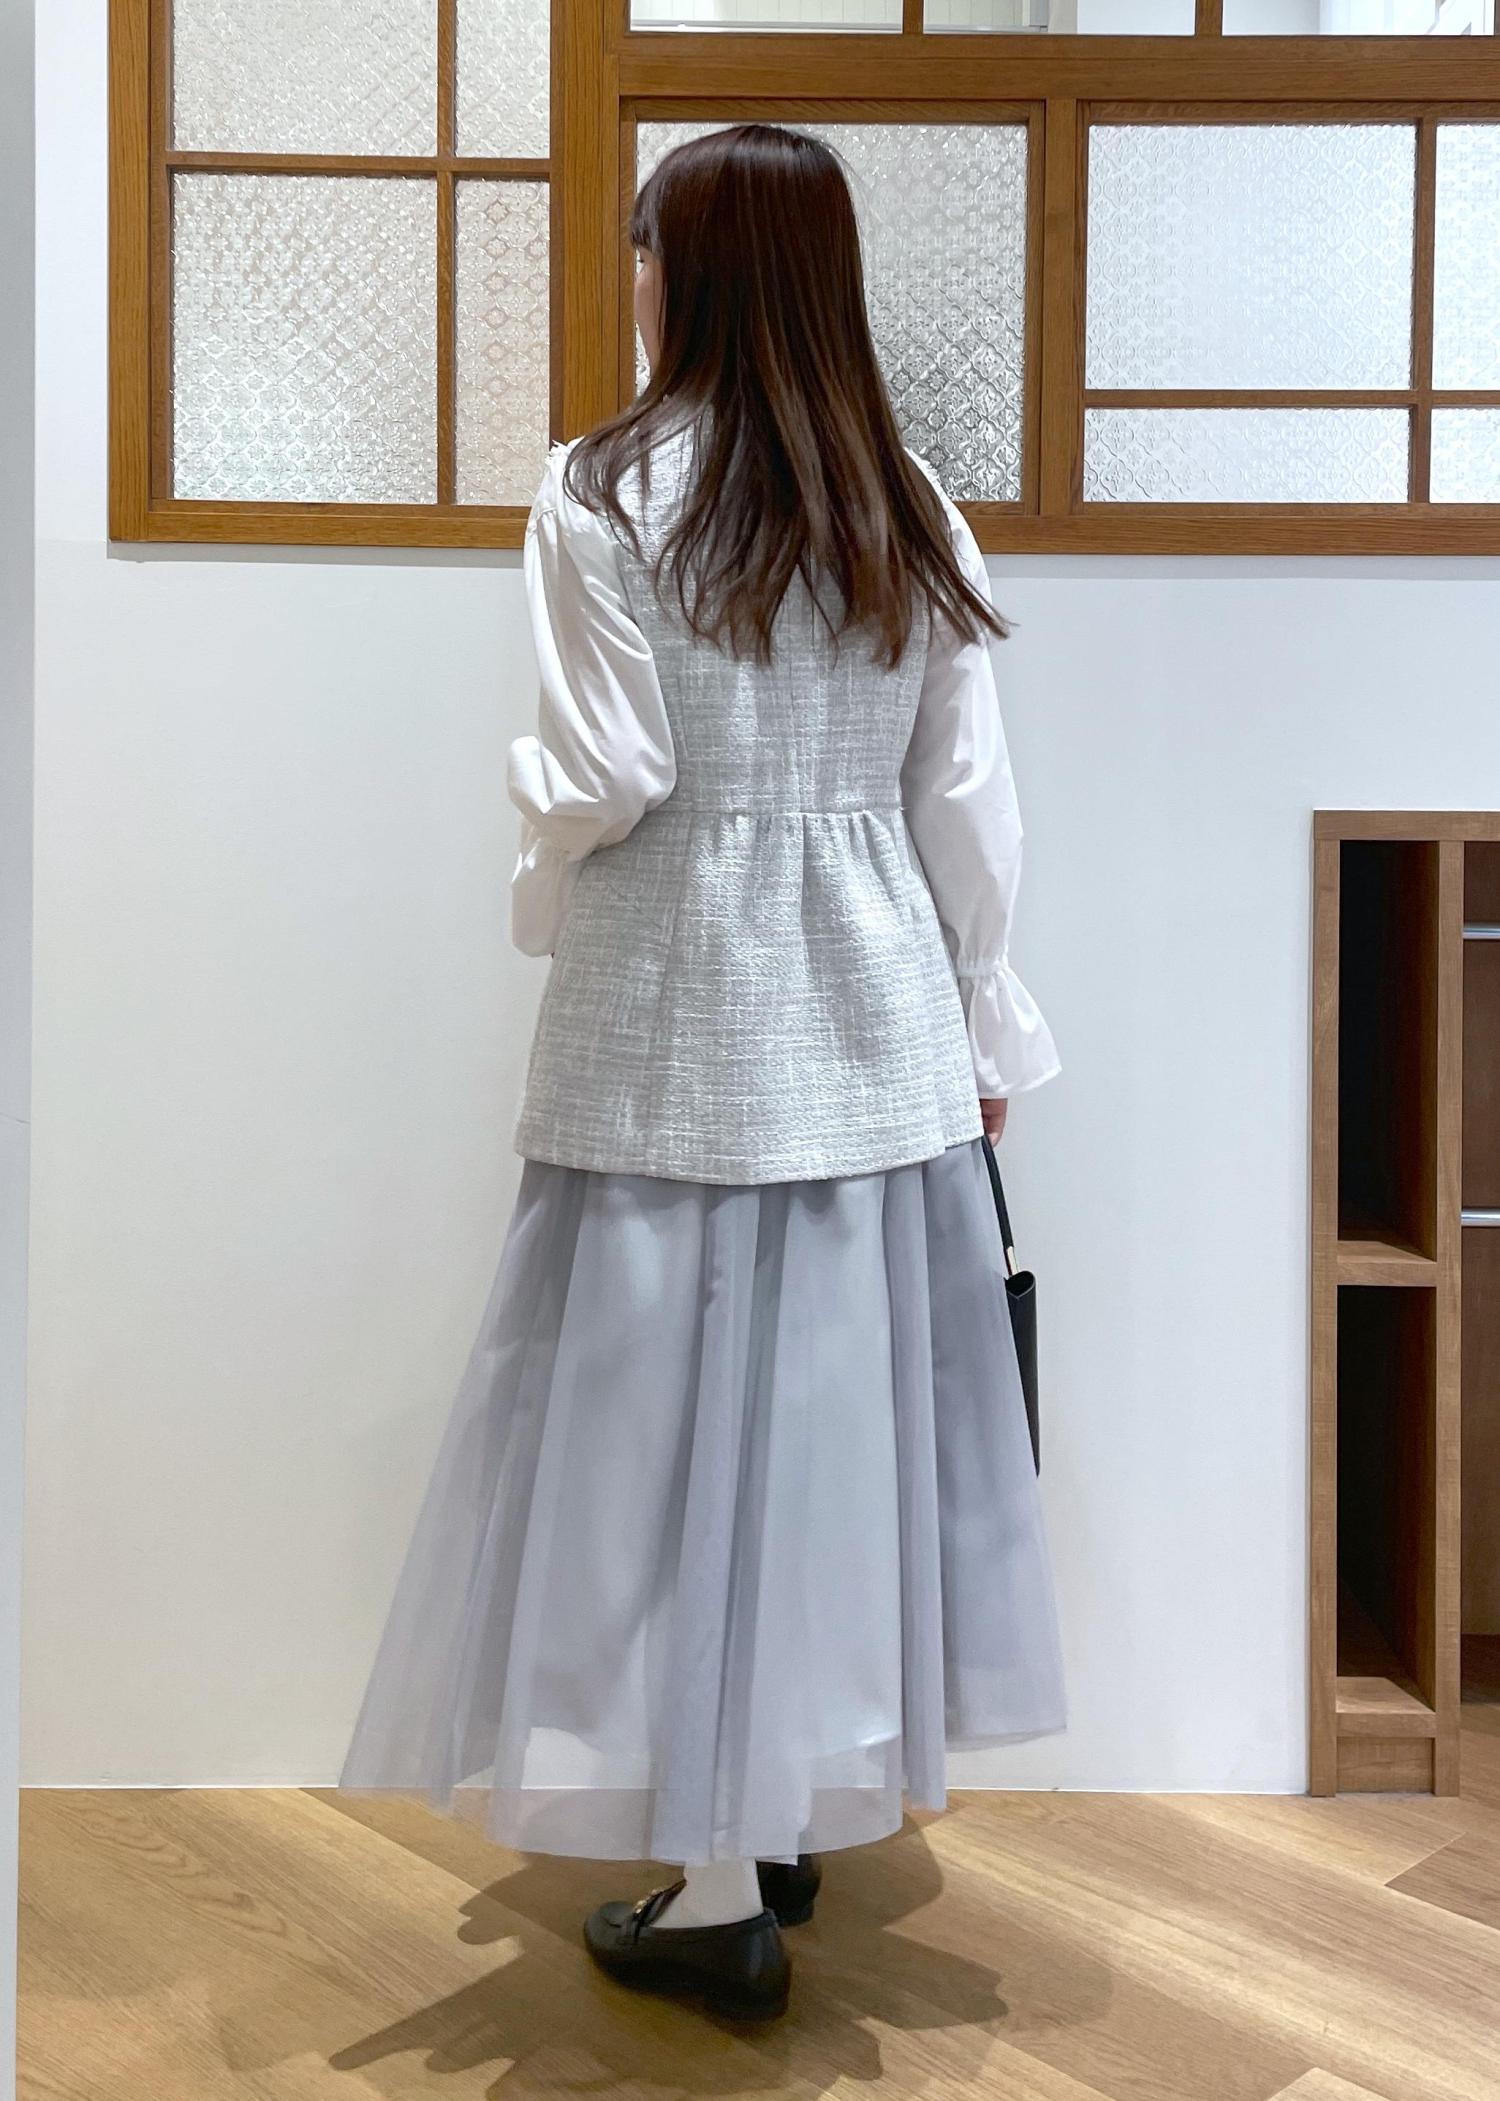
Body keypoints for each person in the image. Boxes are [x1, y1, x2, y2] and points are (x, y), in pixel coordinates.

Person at [338, 120, 1065, 2024]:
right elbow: (965, 797)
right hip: (872, 999)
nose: (639, 282)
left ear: (694, 275)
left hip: (670, 1002)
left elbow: (609, 774)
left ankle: (719, 1876)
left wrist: (525, 821)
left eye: (650, 252)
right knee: (830, 1420)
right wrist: (982, 1011)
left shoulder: (598, 486)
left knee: (645, 1431)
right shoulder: (908, 496)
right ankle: (782, 1801)